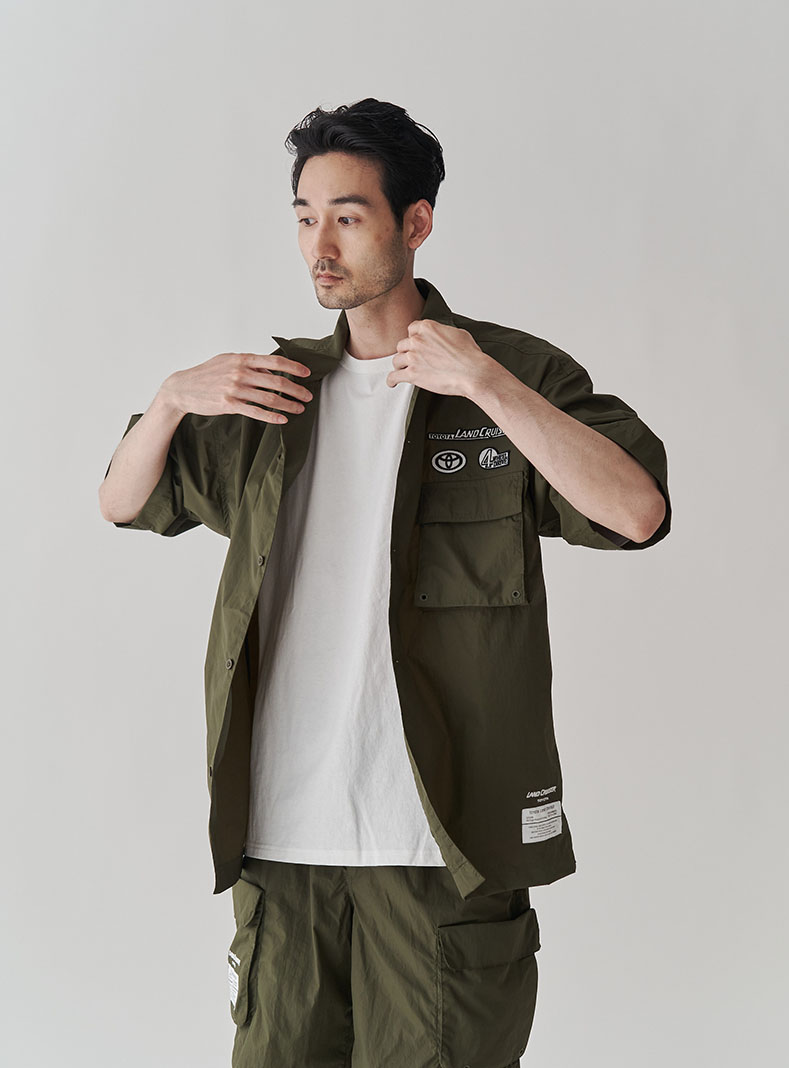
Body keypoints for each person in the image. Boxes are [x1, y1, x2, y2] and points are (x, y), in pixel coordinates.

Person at [100, 97, 672, 1068]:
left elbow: (637, 511)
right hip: (281, 844)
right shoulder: (272, 393)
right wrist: (166, 402)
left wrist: (486, 384)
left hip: (440, 851)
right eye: (304, 216)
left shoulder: (507, 372)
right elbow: (122, 503)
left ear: (416, 222)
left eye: (348, 216)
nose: (319, 245)